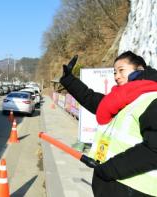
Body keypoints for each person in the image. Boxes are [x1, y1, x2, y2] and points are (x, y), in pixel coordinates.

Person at [60, 51, 157, 197]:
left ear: (140, 69)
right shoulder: (121, 100)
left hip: (134, 188)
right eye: (114, 72)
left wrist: (108, 169)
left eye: (121, 70)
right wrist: (69, 79)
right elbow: (89, 98)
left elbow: (153, 149)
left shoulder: (152, 98)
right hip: (115, 184)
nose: (116, 76)